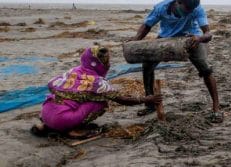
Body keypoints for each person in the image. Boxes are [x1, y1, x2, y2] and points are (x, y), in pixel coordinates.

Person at [129, 0, 222, 123]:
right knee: (147, 65)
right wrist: (136, 40)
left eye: (192, 9)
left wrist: (199, 39)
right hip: (165, 38)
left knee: (205, 69)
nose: (190, 11)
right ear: (178, 2)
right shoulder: (162, 7)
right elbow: (147, 25)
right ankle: (150, 104)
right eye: (187, 8)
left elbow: (208, 34)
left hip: (191, 38)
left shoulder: (197, 8)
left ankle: (216, 108)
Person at [31, 45, 162, 138]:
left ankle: (46, 126)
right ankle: (72, 129)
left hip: (45, 113)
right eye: (106, 62)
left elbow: (51, 84)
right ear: (98, 64)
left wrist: (72, 94)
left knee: (63, 100)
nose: (109, 65)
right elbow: (121, 99)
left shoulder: (73, 71)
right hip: (62, 119)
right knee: (101, 103)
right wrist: (147, 99)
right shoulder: (97, 82)